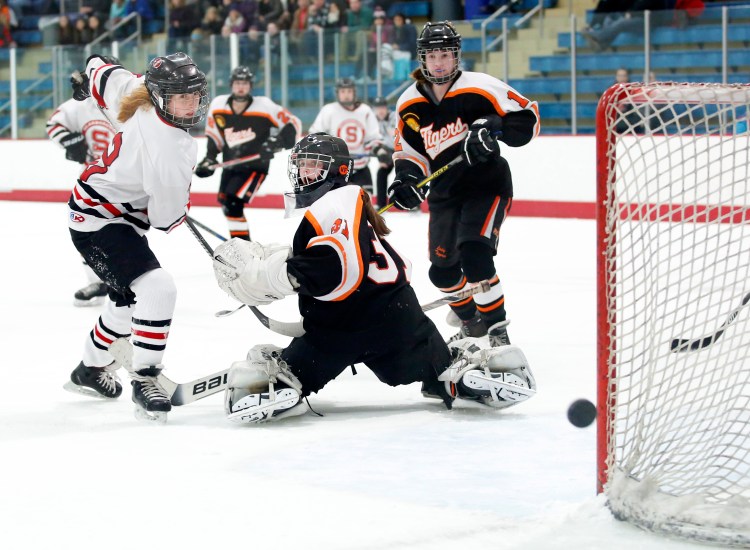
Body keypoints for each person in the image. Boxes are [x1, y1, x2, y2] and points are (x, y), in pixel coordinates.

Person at [210, 132, 537, 423]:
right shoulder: (352, 206)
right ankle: (456, 374)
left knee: (292, 375)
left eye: (312, 165)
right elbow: (400, 265)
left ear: (337, 171)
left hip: (339, 330)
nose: (302, 172)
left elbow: (334, 270)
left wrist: (260, 278)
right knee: (440, 367)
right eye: (301, 165)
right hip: (402, 321)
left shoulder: (330, 208)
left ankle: (283, 382)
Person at [64, 52, 209, 422]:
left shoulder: (138, 90)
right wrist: (177, 202)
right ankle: (145, 378)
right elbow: (165, 218)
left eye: (194, 94)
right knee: (157, 288)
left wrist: (86, 81)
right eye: (182, 96)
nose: (191, 103)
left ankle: (90, 369)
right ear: (162, 96)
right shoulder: (173, 149)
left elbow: (100, 67)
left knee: (126, 299)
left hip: (98, 212)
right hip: (100, 221)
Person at [387, 21, 540, 346]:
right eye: (432, 55)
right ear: (421, 59)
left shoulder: (481, 86)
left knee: (475, 257)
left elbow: (528, 118)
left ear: (456, 56)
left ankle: (498, 331)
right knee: (441, 273)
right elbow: (410, 153)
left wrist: (494, 125)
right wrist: (406, 181)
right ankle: (472, 323)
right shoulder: (408, 103)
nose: (439, 61)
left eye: (445, 54)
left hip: (487, 186)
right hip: (444, 194)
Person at [195, 66, 301, 240]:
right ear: (231, 85)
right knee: (226, 204)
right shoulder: (218, 105)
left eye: (244, 83)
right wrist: (210, 158)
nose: (241, 87)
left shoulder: (264, 106)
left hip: (255, 166)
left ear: (251, 86)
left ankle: (243, 246)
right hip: (230, 165)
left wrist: (276, 143)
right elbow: (215, 136)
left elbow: (293, 123)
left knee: (233, 203)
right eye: (237, 83)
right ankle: (240, 243)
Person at [47, 90, 118, 307]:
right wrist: (69, 141)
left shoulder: (129, 102)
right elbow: (54, 125)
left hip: (126, 182)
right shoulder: (80, 106)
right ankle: (98, 282)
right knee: (85, 233)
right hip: (90, 181)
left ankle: (126, 281)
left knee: (123, 233)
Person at [308, 77, 383, 195]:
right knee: (337, 204)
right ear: (338, 93)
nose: (346, 95)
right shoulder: (329, 110)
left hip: (360, 167)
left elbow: (373, 137)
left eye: (349, 91)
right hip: (335, 168)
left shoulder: (365, 111)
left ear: (354, 92)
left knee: (364, 204)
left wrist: (379, 150)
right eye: (343, 92)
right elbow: (315, 134)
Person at [371, 95, 397, 208]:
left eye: (382, 107)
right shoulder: (372, 122)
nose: (380, 110)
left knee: (404, 172)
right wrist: (379, 152)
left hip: (402, 151)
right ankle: (381, 204)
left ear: (387, 108)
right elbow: (372, 141)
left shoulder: (396, 117)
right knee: (381, 173)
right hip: (387, 151)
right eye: (378, 108)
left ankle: (412, 203)